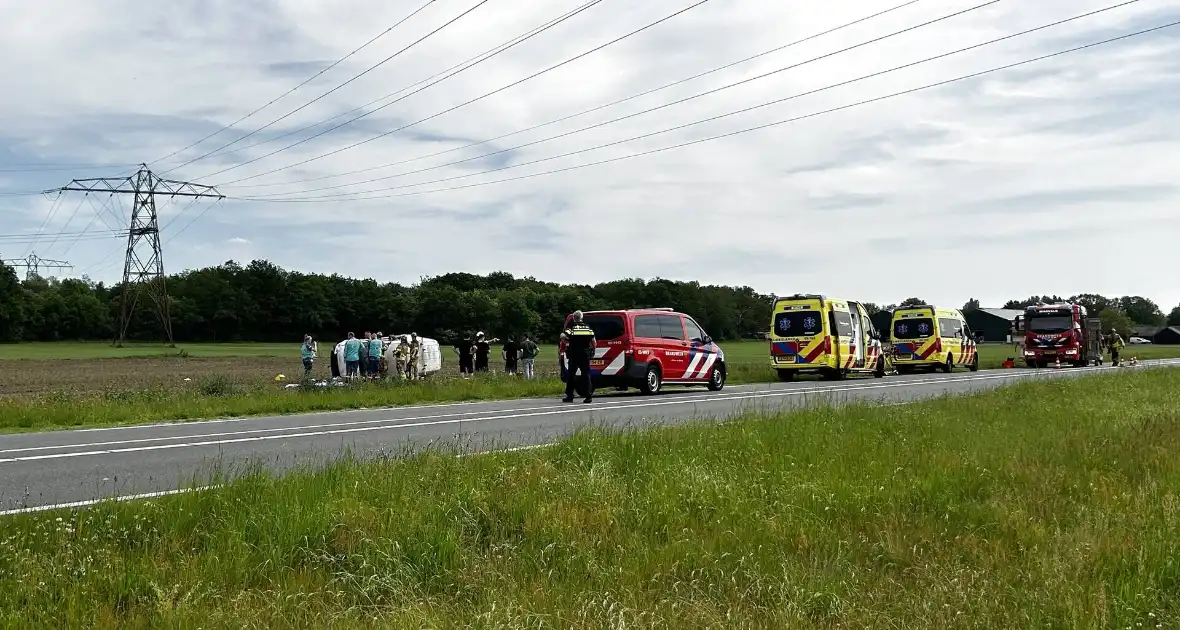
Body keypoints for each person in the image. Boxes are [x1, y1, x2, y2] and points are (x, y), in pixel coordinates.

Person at [561, 311, 596, 403]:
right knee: (586, 374)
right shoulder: (588, 329)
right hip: (585, 353)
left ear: (573, 318)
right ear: (582, 318)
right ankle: (588, 396)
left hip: (574, 353)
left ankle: (570, 395)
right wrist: (592, 350)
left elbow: (563, 336)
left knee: (571, 375)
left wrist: (566, 342)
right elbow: (593, 341)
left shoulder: (571, 329)